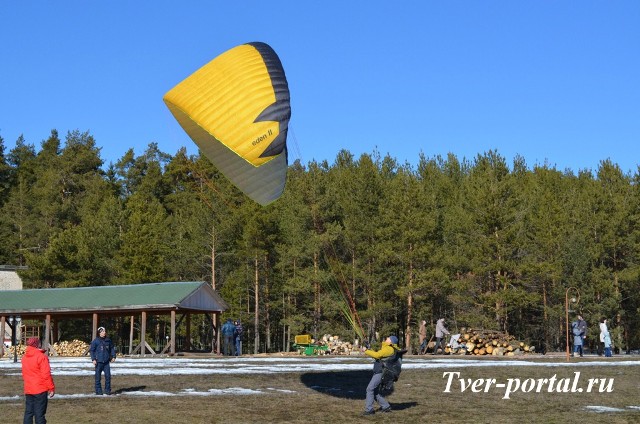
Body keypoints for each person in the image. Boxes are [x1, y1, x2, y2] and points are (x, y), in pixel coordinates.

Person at [361, 335, 400, 416]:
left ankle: (369, 410)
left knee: (369, 389)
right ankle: (385, 406)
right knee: (374, 391)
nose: (386, 338)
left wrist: (366, 351)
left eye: (388, 338)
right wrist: (369, 350)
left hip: (381, 371)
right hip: (380, 370)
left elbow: (377, 355)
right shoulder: (386, 348)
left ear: (391, 341)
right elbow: (378, 356)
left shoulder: (389, 349)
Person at [21, 337, 55, 424]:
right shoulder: (41, 357)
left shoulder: (24, 357)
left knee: (28, 412)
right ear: (37, 344)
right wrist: (51, 388)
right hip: (40, 389)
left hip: (29, 388)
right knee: (39, 414)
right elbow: (46, 375)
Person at [89, 326, 116, 395]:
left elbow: (112, 348)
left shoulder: (108, 340)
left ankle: (107, 391)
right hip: (98, 362)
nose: (104, 332)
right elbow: (92, 350)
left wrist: (113, 356)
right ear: (99, 333)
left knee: (108, 377)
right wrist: (93, 359)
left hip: (106, 362)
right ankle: (98, 391)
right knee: (98, 378)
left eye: (104, 331)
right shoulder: (95, 341)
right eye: (103, 331)